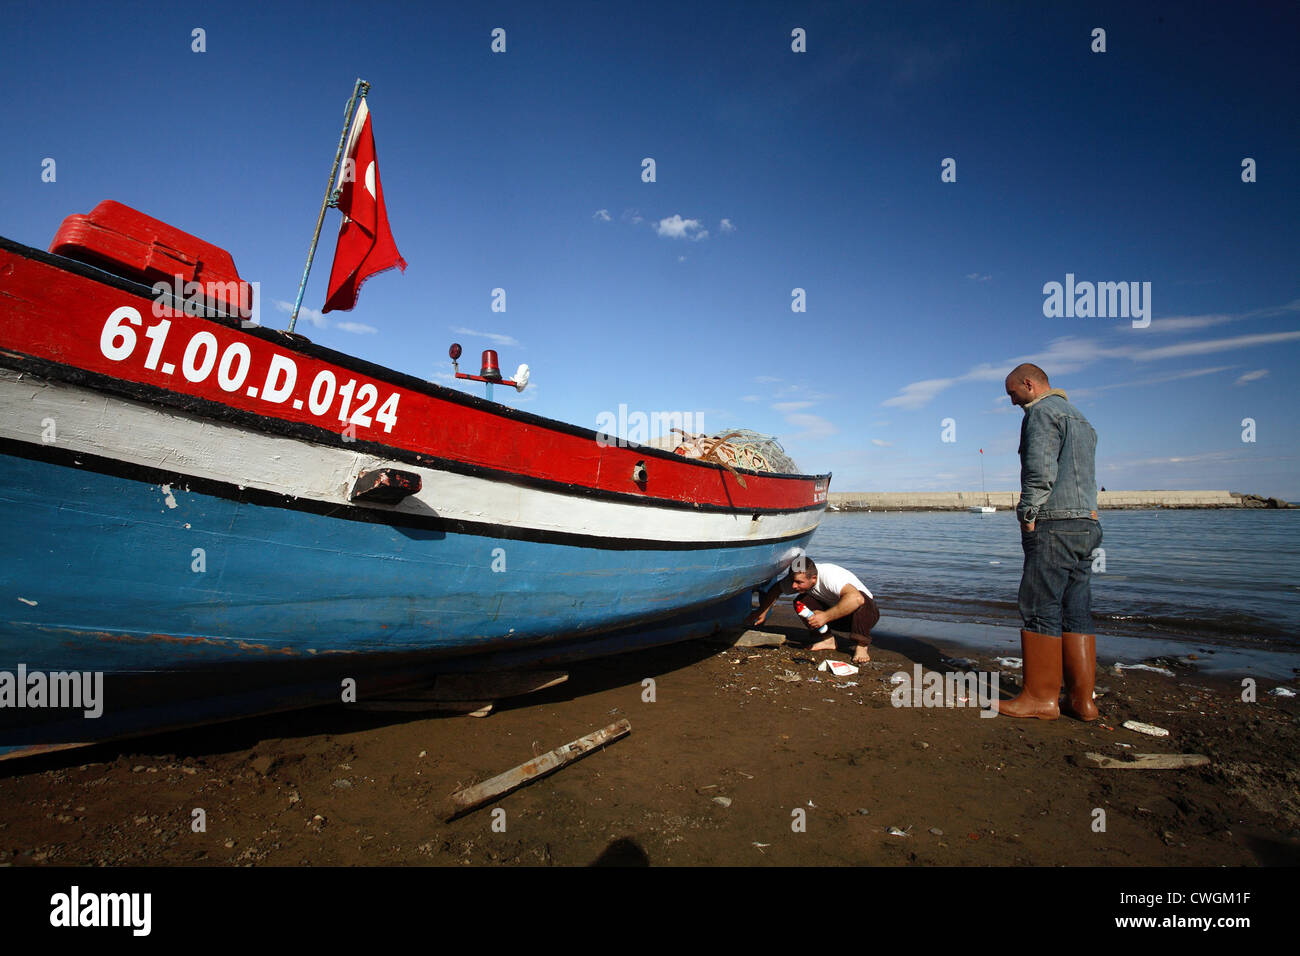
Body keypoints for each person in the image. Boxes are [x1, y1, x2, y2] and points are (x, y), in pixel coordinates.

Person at [999, 363, 1102, 720]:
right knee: (1076, 608)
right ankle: (1082, 701)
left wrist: (1028, 514)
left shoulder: (1041, 413)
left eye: (1013, 394)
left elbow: (1040, 471)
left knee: (1039, 605)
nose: (1013, 402)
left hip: (1054, 523)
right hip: (1087, 523)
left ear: (1029, 384)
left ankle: (1040, 700)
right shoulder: (1081, 418)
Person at [747, 556, 880, 663]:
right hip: (838, 617)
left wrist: (824, 616)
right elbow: (776, 589)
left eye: (799, 582)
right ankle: (827, 639)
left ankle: (862, 646)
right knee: (800, 601)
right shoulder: (799, 576)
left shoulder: (830, 576)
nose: (794, 586)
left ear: (814, 578)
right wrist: (761, 612)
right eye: (793, 581)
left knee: (860, 599)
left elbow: (856, 599)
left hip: (864, 617)